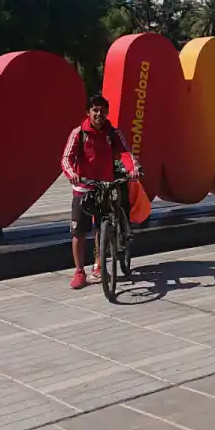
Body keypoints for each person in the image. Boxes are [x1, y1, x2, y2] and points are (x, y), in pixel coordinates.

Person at [61, 95, 140, 289]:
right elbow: (66, 158)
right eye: (95, 110)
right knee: (79, 232)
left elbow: (124, 152)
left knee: (101, 228)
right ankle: (80, 271)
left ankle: (98, 266)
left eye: (102, 110)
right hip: (84, 188)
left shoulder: (112, 132)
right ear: (88, 113)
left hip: (106, 186)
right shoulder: (79, 133)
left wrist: (132, 168)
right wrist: (72, 174)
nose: (99, 114)